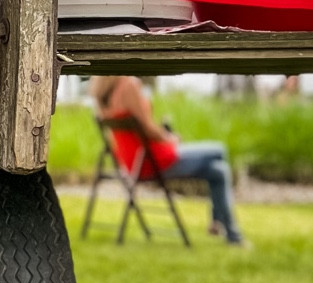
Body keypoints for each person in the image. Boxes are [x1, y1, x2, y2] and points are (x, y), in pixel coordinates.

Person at [89, 75, 246, 245]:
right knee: (219, 150)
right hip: (154, 160)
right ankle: (221, 226)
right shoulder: (128, 85)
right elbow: (147, 128)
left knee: (218, 172)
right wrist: (170, 138)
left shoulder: (100, 91)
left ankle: (227, 231)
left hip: (133, 161)